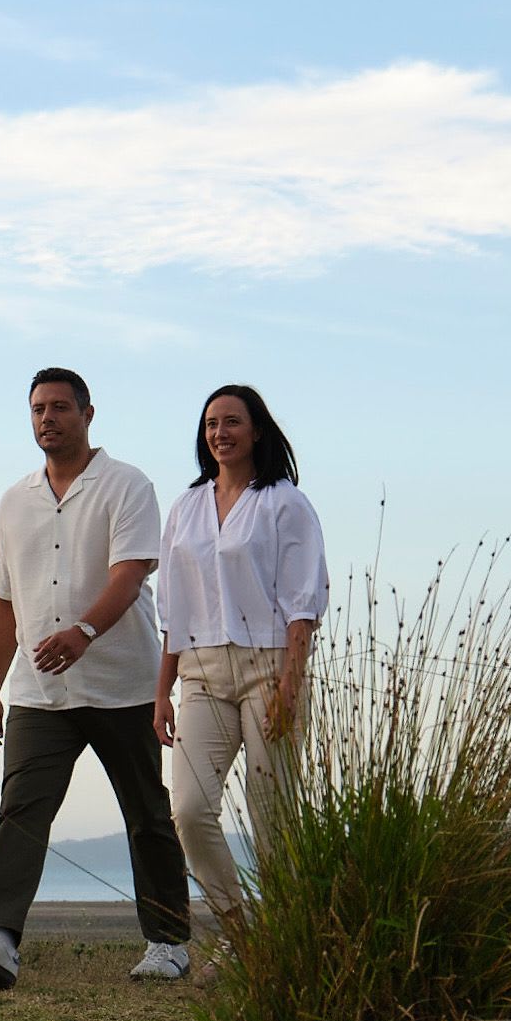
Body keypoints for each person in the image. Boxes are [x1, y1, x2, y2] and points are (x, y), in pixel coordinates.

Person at [0, 368, 191, 991]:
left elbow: (130, 574)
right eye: (38, 409)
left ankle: (168, 943)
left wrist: (84, 633)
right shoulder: (14, 500)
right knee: (21, 811)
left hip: (122, 685)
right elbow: (4, 602)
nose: (48, 419)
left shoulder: (127, 485)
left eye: (60, 408)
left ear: (87, 414)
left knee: (147, 814)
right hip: (38, 694)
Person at [154, 382, 327, 960]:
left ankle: (289, 937)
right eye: (211, 424)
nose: (220, 433)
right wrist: (162, 692)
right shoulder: (186, 507)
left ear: (256, 431)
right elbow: (173, 610)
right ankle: (244, 935)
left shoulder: (284, 502)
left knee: (271, 814)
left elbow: (303, 605)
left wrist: (290, 685)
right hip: (201, 672)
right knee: (189, 810)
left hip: (269, 667)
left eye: (231, 422)